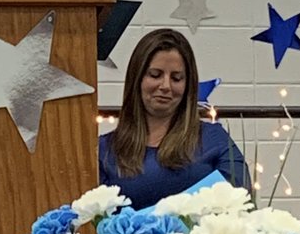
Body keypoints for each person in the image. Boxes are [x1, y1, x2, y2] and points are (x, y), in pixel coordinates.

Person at [99, 28, 248, 210]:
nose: (166, 86)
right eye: (155, 75)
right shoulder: (105, 150)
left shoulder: (214, 139)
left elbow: (241, 201)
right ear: (136, 79)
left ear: (188, 85)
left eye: (177, 78)